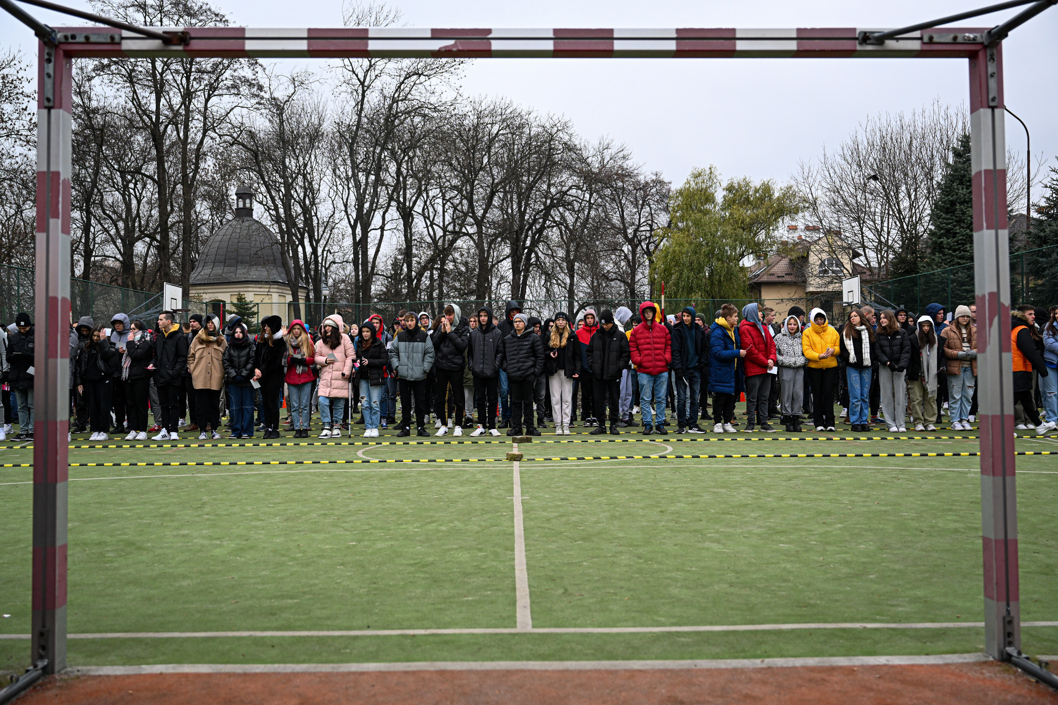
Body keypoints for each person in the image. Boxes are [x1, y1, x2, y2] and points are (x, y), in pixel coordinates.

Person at [498, 312, 545, 436]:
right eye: (515, 321)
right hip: (513, 376)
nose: (517, 323)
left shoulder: (533, 338)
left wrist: (534, 373)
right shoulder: (508, 339)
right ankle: (516, 427)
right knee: (515, 402)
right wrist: (507, 368)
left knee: (529, 402)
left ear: (524, 323)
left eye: (520, 321)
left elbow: (540, 356)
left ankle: (530, 427)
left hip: (528, 376)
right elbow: (502, 356)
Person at [586, 309, 631, 435]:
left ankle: (613, 424)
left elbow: (625, 354)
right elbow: (589, 352)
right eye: (603, 324)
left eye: (607, 324)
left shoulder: (620, 335)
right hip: (598, 374)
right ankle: (601, 425)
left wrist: (618, 367)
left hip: (613, 374)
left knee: (614, 400)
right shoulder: (596, 335)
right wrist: (593, 366)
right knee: (599, 400)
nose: (605, 326)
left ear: (612, 322)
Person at [390, 311, 435, 437]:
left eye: (411, 320)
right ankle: (406, 427)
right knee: (405, 402)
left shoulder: (424, 336)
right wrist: (398, 367)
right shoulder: (400, 336)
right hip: (404, 375)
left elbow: (430, 353)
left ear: (416, 321)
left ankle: (420, 427)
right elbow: (393, 352)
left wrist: (424, 368)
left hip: (419, 375)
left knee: (420, 402)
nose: (409, 323)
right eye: (407, 321)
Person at [630, 301, 672, 435]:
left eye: (650, 311)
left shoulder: (663, 329)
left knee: (661, 399)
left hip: (661, 369)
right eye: (646, 311)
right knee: (645, 399)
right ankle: (647, 424)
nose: (648, 313)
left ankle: (660, 423)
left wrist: (666, 358)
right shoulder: (636, 331)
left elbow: (668, 345)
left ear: (654, 313)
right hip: (644, 371)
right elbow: (633, 348)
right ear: (642, 313)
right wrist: (638, 360)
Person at [186, 314, 227, 441]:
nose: (210, 325)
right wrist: (194, 370)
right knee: (201, 406)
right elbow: (190, 357)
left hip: (216, 377)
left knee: (214, 405)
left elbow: (226, 358)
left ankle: (214, 429)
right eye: (208, 322)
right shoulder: (197, 339)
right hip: (200, 378)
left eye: (212, 322)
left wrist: (222, 372)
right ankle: (202, 430)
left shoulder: (221, 340)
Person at [431, 304, 470, 436]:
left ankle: (458, 425)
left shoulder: (464, 328)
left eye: (450, 314)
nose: (448, 317)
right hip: (441, 366)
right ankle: (443, 424)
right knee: (440, 397)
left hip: (456, 367)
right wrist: (442, 332)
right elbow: (434, 345)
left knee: (458, 398)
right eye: (446, 314)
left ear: (456, 314)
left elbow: (462, 346)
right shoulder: (441, 328)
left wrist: (450, 333)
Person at [74, 325, 118, 441]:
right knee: (92, 407)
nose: (96, 338)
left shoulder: (110, 347)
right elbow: (80, 366)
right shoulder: (86, 348)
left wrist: (103, 341)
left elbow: (107, 355)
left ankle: (104, 430)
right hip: (89, 380)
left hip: (104, 380)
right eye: (94, 336)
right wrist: (79, 382)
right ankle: (95, 429)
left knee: (104, 406)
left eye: (98, 336)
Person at [313, 314, 354, 439]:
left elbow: (351, 356)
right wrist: (325, 361)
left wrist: (346, 371)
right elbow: (316, 357)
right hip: (326, 377)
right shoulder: (321, 342)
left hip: (341, 376)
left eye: (330, 326)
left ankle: (337, 426)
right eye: (325, 326)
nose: (327, 329)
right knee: (322, 401)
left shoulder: (345, 339)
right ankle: (326, 426)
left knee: (339, 404)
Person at [738, 302, 777, 433]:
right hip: (754, 369)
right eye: (759, 311)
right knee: (752, 398)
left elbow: (772, 344)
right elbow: (751, 350)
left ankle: (764, 422)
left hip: (766, 368)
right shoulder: (744, 328)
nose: (762, 313)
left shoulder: (764, 328)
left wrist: (771, 359)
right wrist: (766, 362)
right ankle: (750, 423)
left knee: (764, 396)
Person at [670, 305, 708, 434]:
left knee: (694, 398)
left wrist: (702, 364)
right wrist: (678, 368)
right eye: (684, 316)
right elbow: (675, 351)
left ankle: (693, 424)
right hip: (683, 369)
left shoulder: (699, 330)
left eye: (688, 316)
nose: (686, 318)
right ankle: (681, 424)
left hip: (696, 369)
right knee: (681, 398)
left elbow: (704, 349)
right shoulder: (677, 331)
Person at [1011, 306, 1049, 433]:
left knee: (1026, 398)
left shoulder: (1014, 328)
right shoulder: (1022, 329)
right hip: (1018, 368)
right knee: (1014, 399)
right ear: (1022, 315)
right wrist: (1042, 369)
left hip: (1017, 368)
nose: (1034, 316)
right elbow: (1030, 350)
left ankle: (1039, 425)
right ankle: (1003, 427)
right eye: (1030, 314)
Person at [152, 311, 188, 441]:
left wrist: (173, 373)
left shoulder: (179, 337)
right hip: (160, 377)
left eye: (161, 319)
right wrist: (153, 364)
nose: (158, 321)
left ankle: (173, 431)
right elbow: (157, 356)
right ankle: (165, 430)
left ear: (168, 321)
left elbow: (182, 358)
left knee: (173, 404)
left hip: (173, 378)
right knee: (163, 405)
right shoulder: (160, 337)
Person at [708, 304, 744, 433]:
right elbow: (718, 353)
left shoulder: (734, 330)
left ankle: (728, 422)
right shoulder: (717, 331)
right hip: (720, 370)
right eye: (735, 316)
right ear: (728, 318)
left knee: (731, 397)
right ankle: (717, 422)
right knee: (720, 398)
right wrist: (737, 353)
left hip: (732, 370)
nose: (737, 318)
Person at [802, 308, 840, 432]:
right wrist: (818, 356)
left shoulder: (833, 331)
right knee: (817, 394)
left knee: (829, 394)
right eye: (817, 319)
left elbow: (838, 347)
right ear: (813, 320)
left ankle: (830, 422)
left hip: (830, 367)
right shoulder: (807, 332)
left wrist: (833, 351)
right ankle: (818, 422)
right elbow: (807, 350)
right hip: (814, 367)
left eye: (821, 319)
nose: (819, 322)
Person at [840, 308, 877, 433]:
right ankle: (855, 421)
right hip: (853, 367)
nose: (853, 318)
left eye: (855, 315)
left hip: (867, 367)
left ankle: (863, 420)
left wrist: (871, 360)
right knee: (855, 396)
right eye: (851, 316)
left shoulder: (869, 331)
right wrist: (849, 360)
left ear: (861, 317)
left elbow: (874, 347)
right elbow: (843, 350)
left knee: (865, 396)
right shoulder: (846, 332)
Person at [468, 306, 503, 437]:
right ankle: (481, 426)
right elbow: (470, 353)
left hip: (492, 372)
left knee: (493, 399)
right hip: (478, 372)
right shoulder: (474, 334)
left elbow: (500, 352)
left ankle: (492, 426)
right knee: (480, 399)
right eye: (481, 316)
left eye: (485, 316)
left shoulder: (497, 333)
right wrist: (472, 365)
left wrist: (496, 365)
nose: (483, 318)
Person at [940, 305, 977, 431]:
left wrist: (975, 352)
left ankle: (964, 419)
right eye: (962, 316)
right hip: (955, 367)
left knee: (968, 394)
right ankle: (955, 420)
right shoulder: (947, 330)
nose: (965, 318)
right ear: (957, 317)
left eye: (967, 316)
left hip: (971, 367)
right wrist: (956, 354)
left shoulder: (976, 330)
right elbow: (943, 349)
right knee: (955, 395)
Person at [545, 311, 582, 435]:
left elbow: (577, 355)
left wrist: (577, 370)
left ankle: (566, 424)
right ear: (555, 322)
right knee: (555, 399)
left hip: (568, 371)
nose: (560, 322)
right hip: (554, 371)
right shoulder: (549, 335)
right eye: (558, 320)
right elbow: (542, 351)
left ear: (566, 322)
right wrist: (549, 354)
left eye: (563, 320)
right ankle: (557, 425)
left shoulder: (572, 336)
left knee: (567, 399)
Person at [875, 310, 911, 433]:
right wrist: (887, 362)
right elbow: (878, 351)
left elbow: (906, 349)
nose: (882, 320)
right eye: (881, 318)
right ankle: (890, 424)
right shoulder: (878, 334)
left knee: (900, 395)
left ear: (890, 319)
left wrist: (902, 365)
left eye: (884, 318)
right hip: (885, 367)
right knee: (886, 396)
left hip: (899, 367)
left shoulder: (902, 332)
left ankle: (901, 423)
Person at [254, 315, 287, 439]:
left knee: (272, 402)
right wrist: (256, 369)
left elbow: (275, 361)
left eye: (267, 326)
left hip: (273, 376)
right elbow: (256, 357)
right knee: (265, 402)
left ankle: (275, 428)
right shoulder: (262, 340)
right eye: (264, 326)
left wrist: (261, 371)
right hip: (262, 376)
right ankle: (268, 426)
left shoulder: (279, 342)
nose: (265, 328)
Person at [120, 320, 154, 441]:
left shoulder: (146, 342)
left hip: (141, 376)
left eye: (134, 329)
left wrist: (129, 343)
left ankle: (142, 430)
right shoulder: (132, 343)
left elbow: (135, 355)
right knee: (130, 404)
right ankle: (133, 428)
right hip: (129, 376)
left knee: (141, 404)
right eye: (131, 329)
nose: (131, 332)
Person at [223, 322, 256, 439]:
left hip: (247, 382)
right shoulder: (229, 347)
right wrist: (234, 375)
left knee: (247, 407)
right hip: (233, 382)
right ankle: (236, 431)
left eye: (240, 332)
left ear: (244, 333)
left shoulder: (251, 346)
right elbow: (226, 363)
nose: (238, 334)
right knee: (234, 407)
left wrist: (243, 375)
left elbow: (252, 362)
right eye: (236, 332)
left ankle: (247, 431)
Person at [907, 315, 940, 432]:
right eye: (923, 326)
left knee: (931, 398)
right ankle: (918, 422)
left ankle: (930, 422)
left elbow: (940, 356)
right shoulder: (912, 338)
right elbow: (909, 357)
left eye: (928, 326)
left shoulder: (936, 339)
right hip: (917, 373)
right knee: (916, 398)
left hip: (932, 374)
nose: (926, 328)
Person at [355, 322, 388, 437]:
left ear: (372, 332)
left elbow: (384, 360)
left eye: (367, 331)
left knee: (375, 403)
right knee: (364, 403)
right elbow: (355, 358)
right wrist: (357, 364)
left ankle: (375, 427)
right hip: (362, 378)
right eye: (363, 331)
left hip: (375, 378)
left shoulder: (379, 344)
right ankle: (368, 427)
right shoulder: (358, 343)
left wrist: (370, 362)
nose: (365, 334)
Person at [283, 319, 316, 438]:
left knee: (305, 404)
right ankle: (297, 427)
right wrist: (290, 360)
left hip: (305, 376)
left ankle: (305, 427)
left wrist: (304, 360)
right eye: (294, 329)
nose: (296, 331)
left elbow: (313, 359)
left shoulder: (308, 342)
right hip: (292, 376)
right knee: (295, 405)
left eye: (298, 329)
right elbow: (283, 361)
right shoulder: (287, 342)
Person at [6, 313, 36, 441]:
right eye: (20, 328)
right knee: (21, 406)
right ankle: (23, 430)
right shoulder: (13, 338)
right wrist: (14, 357)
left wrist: (26, 355)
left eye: (25, 328)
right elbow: (8, 356)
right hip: (17, 375)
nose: (22, 330)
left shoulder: (37, 337)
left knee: (32, 404)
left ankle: (33, 430)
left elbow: (40, 356)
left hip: (31, 374)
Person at [775, 314, 806, 432]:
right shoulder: (779, 337)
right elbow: (775, 353)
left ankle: (796, 418)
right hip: (785, 368)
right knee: (786, 393)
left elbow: (806, 352)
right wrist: (784, 360)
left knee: (798, 393)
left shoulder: (802, 338)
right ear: (786, 325)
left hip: (799, 368)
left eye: (794, 324)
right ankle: (787, 418)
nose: (792, 327)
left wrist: (801, 361)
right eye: (790, 324)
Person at [104, 313, 131, 435]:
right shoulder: (113, 336)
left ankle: (131, 424)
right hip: (115, 372)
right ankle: (119, 424)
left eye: (119, 323)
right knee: (117, 401)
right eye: (115, 324)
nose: (117, 325)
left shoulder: (130, 335)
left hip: (127, 372)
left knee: (129, 400)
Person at [575, 308, 600, 427]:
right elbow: (577, 353)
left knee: (597, 394)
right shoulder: (578, 333)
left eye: (591, 318)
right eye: (587, 318)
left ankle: (596, 416)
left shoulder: (600, 332)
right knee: (585, 395)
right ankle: (586, 417)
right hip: (584, 370)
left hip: (597, 369)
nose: (590, 320)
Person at [1042, 307, 1058, 434]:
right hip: (1051, 364)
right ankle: (1052, 420)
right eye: (1056, 313)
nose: (1057, 315)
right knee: (1051, 393)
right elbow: (1049, 344)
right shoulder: (1049, 326)